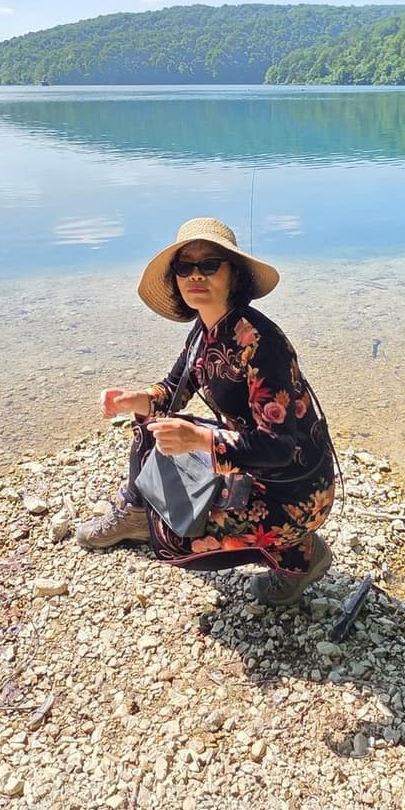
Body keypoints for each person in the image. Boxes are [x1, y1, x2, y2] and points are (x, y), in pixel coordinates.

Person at [76, 217, 336, 605]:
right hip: (253, 464)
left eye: (209, 265)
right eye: (185, 267)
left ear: (235, 275)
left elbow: (280, 447)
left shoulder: (260, 343)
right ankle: (134, 510)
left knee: (174, 538)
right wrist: (133, 400)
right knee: (151, 428)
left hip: (294, 488)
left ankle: (297, 554)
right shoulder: (204, 331)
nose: (195, 275)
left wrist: (200, 439)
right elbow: (171, 391)